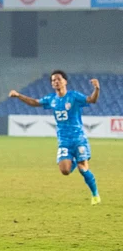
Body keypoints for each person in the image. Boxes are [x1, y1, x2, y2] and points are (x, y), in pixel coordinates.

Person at [9, 71, 101, 205]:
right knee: (65, 171)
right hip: (64, 141)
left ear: (65, 81)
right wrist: (18, 95)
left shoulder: (74, 96)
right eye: (53, 80)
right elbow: (34, 102)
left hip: (79, 139)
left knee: (83, 169)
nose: (55, 82)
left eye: (58, 79)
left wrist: (96, 89)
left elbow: (92, 100)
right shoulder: (51, 99)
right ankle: (73, 159)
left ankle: (95, 195)